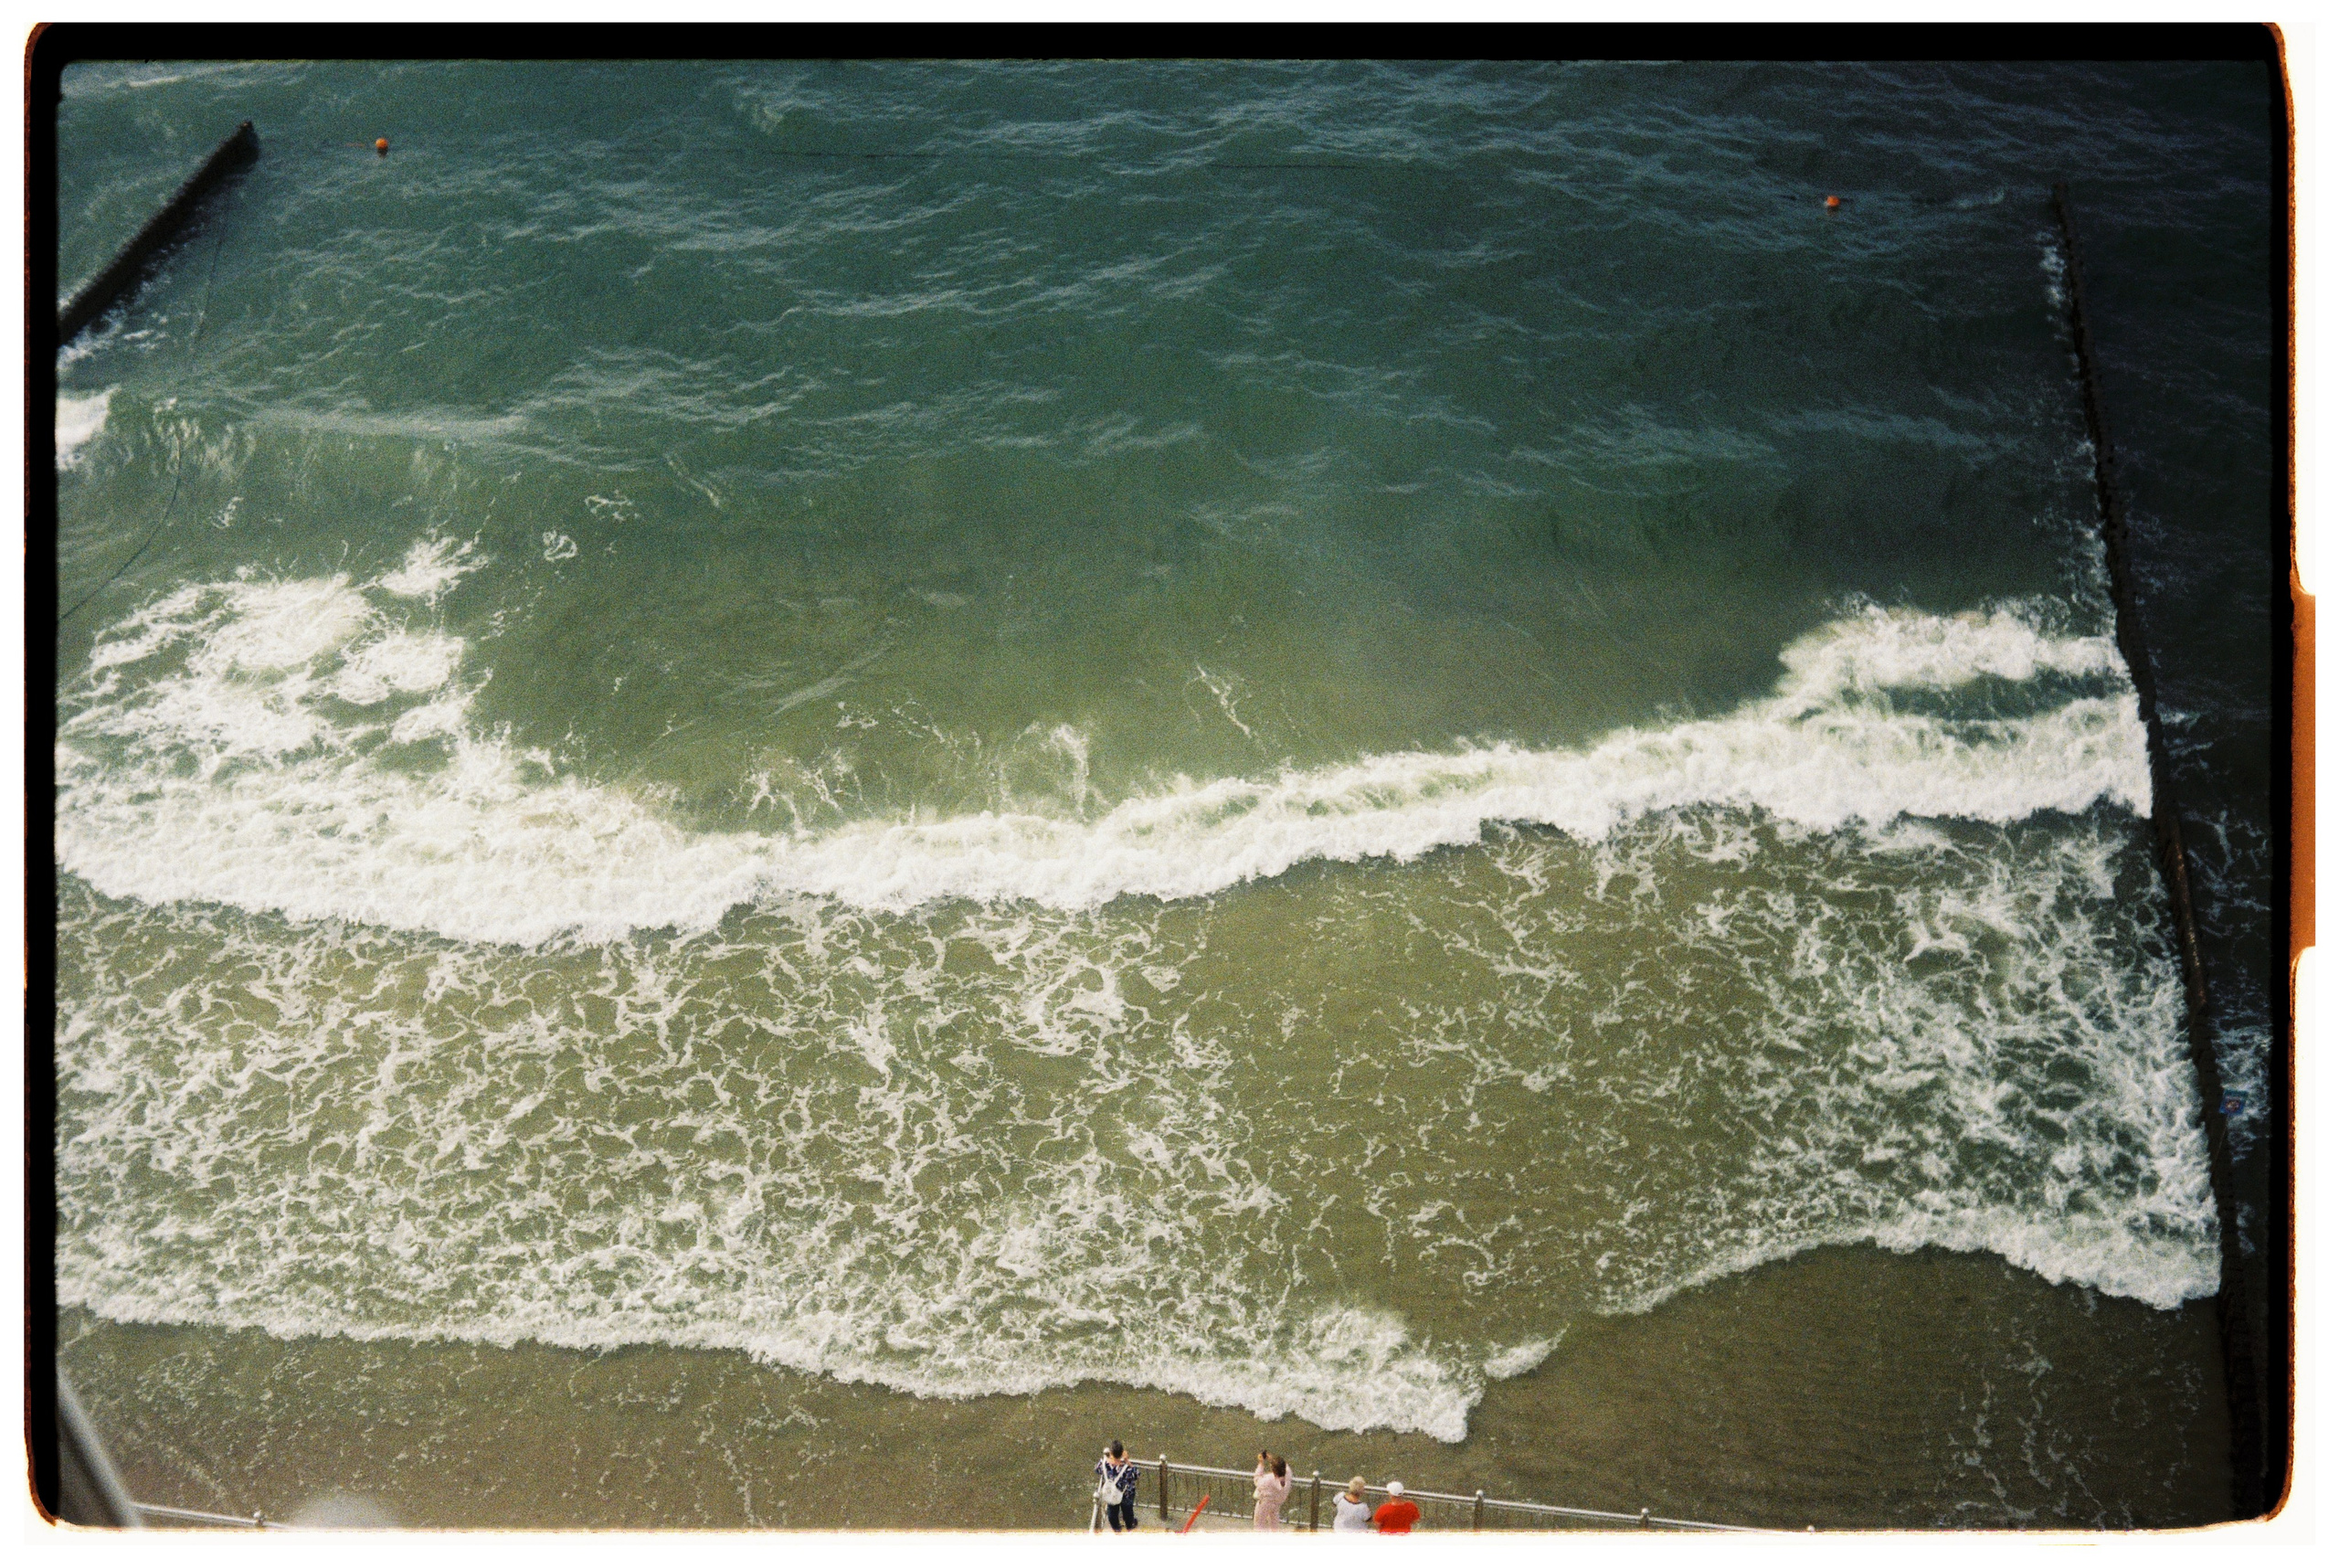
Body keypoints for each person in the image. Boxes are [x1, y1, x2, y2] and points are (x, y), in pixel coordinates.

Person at [1095, 1442, 1140, 1533]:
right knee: (1128, 1511)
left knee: (1112, 1510)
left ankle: (1116, 1528)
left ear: (1111, 1453)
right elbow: (1136, 1474)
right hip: (1126, 1494)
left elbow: (1096, 1469)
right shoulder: (1126, 1468)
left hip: (1111, 1493)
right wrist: (1127, 1460)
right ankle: (1129, 1526)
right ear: (1122, 1453)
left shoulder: (1104, 1464)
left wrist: (1106, 1458)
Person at [1252, 1450, 1292, 1531]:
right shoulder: (1287, 1476)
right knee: (1274, 1524)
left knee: (1259, 1525)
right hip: (1277, 1503)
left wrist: (1261, 1463)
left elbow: (1257, 1479)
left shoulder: (1269, 1479)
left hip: (1265, 1503)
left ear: (1273, 1469)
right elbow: (1285, 1467)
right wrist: (1272, 1460)